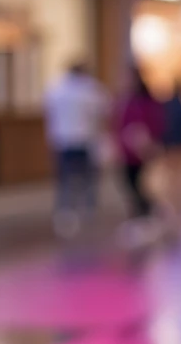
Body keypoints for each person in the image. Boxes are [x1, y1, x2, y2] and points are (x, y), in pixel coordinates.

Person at [43, 61, 110, 238]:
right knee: (87, 178)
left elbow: (49, 112)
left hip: (63, 141)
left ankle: (65, 211)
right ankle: (87, 208)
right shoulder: (91, 88)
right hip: (84, 139)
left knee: (65, 178)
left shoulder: (56, 89)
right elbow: (105, 110)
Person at [114, 68, 164, 246]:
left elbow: (155, 122)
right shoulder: (124, 100)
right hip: (126, 150)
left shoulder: (145, 101)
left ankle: (147, 214)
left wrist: (150, 141)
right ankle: (141, 215)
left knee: (139, 182)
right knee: (128, 182)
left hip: (142, 151)